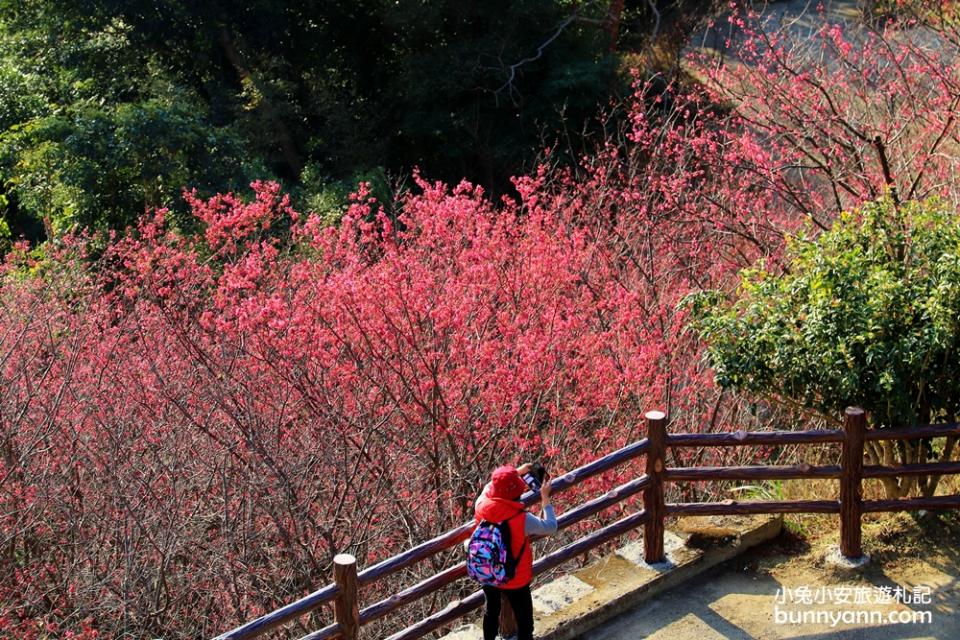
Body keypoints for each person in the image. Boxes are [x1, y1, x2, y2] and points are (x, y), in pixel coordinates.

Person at [473, 463, 557, 640]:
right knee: (525, 622)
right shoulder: (522, 518)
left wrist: (514, 474)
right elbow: (550, 527)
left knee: (491, 611)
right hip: (515, 578)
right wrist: (545, 500)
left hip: (489, 572)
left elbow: (490, 487)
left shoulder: (481, 506)